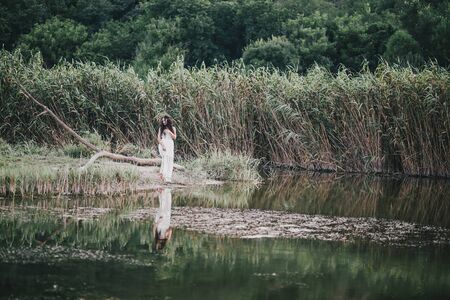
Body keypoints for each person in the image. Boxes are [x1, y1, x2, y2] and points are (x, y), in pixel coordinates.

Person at [157, 115, 177, 183]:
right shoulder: (161, 128)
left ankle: (168, 177)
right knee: (165, 159)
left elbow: (174, 137)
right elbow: (159, 139)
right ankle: (164, 177)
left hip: (170, 144)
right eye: (162, 121)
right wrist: (163, 146)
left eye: (164, 120)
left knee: (170, 159)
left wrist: (169, 131)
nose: (163, 122)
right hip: (163, 144)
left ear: (168, 120)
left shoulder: (173, 128)